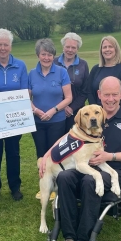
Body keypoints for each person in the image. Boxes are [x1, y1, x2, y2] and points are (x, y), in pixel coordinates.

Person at [41, 76, 121, 241]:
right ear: (99, 95)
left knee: (89, 181)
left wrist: (110, 156)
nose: (111, 99)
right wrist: (47, 155)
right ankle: (69, 239)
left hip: (117, 170)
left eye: (115, 94)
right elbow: (69, 136)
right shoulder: (90, 114)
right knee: (64, 177)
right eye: (106, 95)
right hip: (85, 165)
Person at [0, 29, 28, 202]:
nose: (2, 48)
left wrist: (7, 104)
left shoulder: (20, 65)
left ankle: (15, 186)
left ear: (10, 46)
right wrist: (0, 102)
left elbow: (24, 91)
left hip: (15, 117)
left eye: (6, 44)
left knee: (13, 152)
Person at [29, 38, 72, 197]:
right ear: (38, 55)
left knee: (55, 155)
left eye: (49, 55)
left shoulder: (62, 72)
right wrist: (36, 111)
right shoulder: (32, 74)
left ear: (53, 56)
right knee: (41, 156)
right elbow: (27, 99)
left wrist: (53, 110)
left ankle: (56, 187)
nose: (46, 58)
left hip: (57, 121)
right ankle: (44, 187)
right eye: (43, 54)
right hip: (37, 122)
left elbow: (68, 97)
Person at [54, 32, 89, 133]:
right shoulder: (54, 62)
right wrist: (62, 107)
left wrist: (71, 108)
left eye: (73, 47)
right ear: (63, 47)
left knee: (74, 143)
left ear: (77, 49)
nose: (70, 50)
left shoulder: (83, 64)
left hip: (75, 112)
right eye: (67, 47)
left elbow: (85, 91)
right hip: (56, 111)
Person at [87, 36, 121, 107]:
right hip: (97, 114)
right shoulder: (95, 69)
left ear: (116, 49)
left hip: (117, 113)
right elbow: (89, 92)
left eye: (110, 47)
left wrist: (109, 111)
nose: (107, 49)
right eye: (104, 47)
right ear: (101, 50)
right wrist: (97, 110)